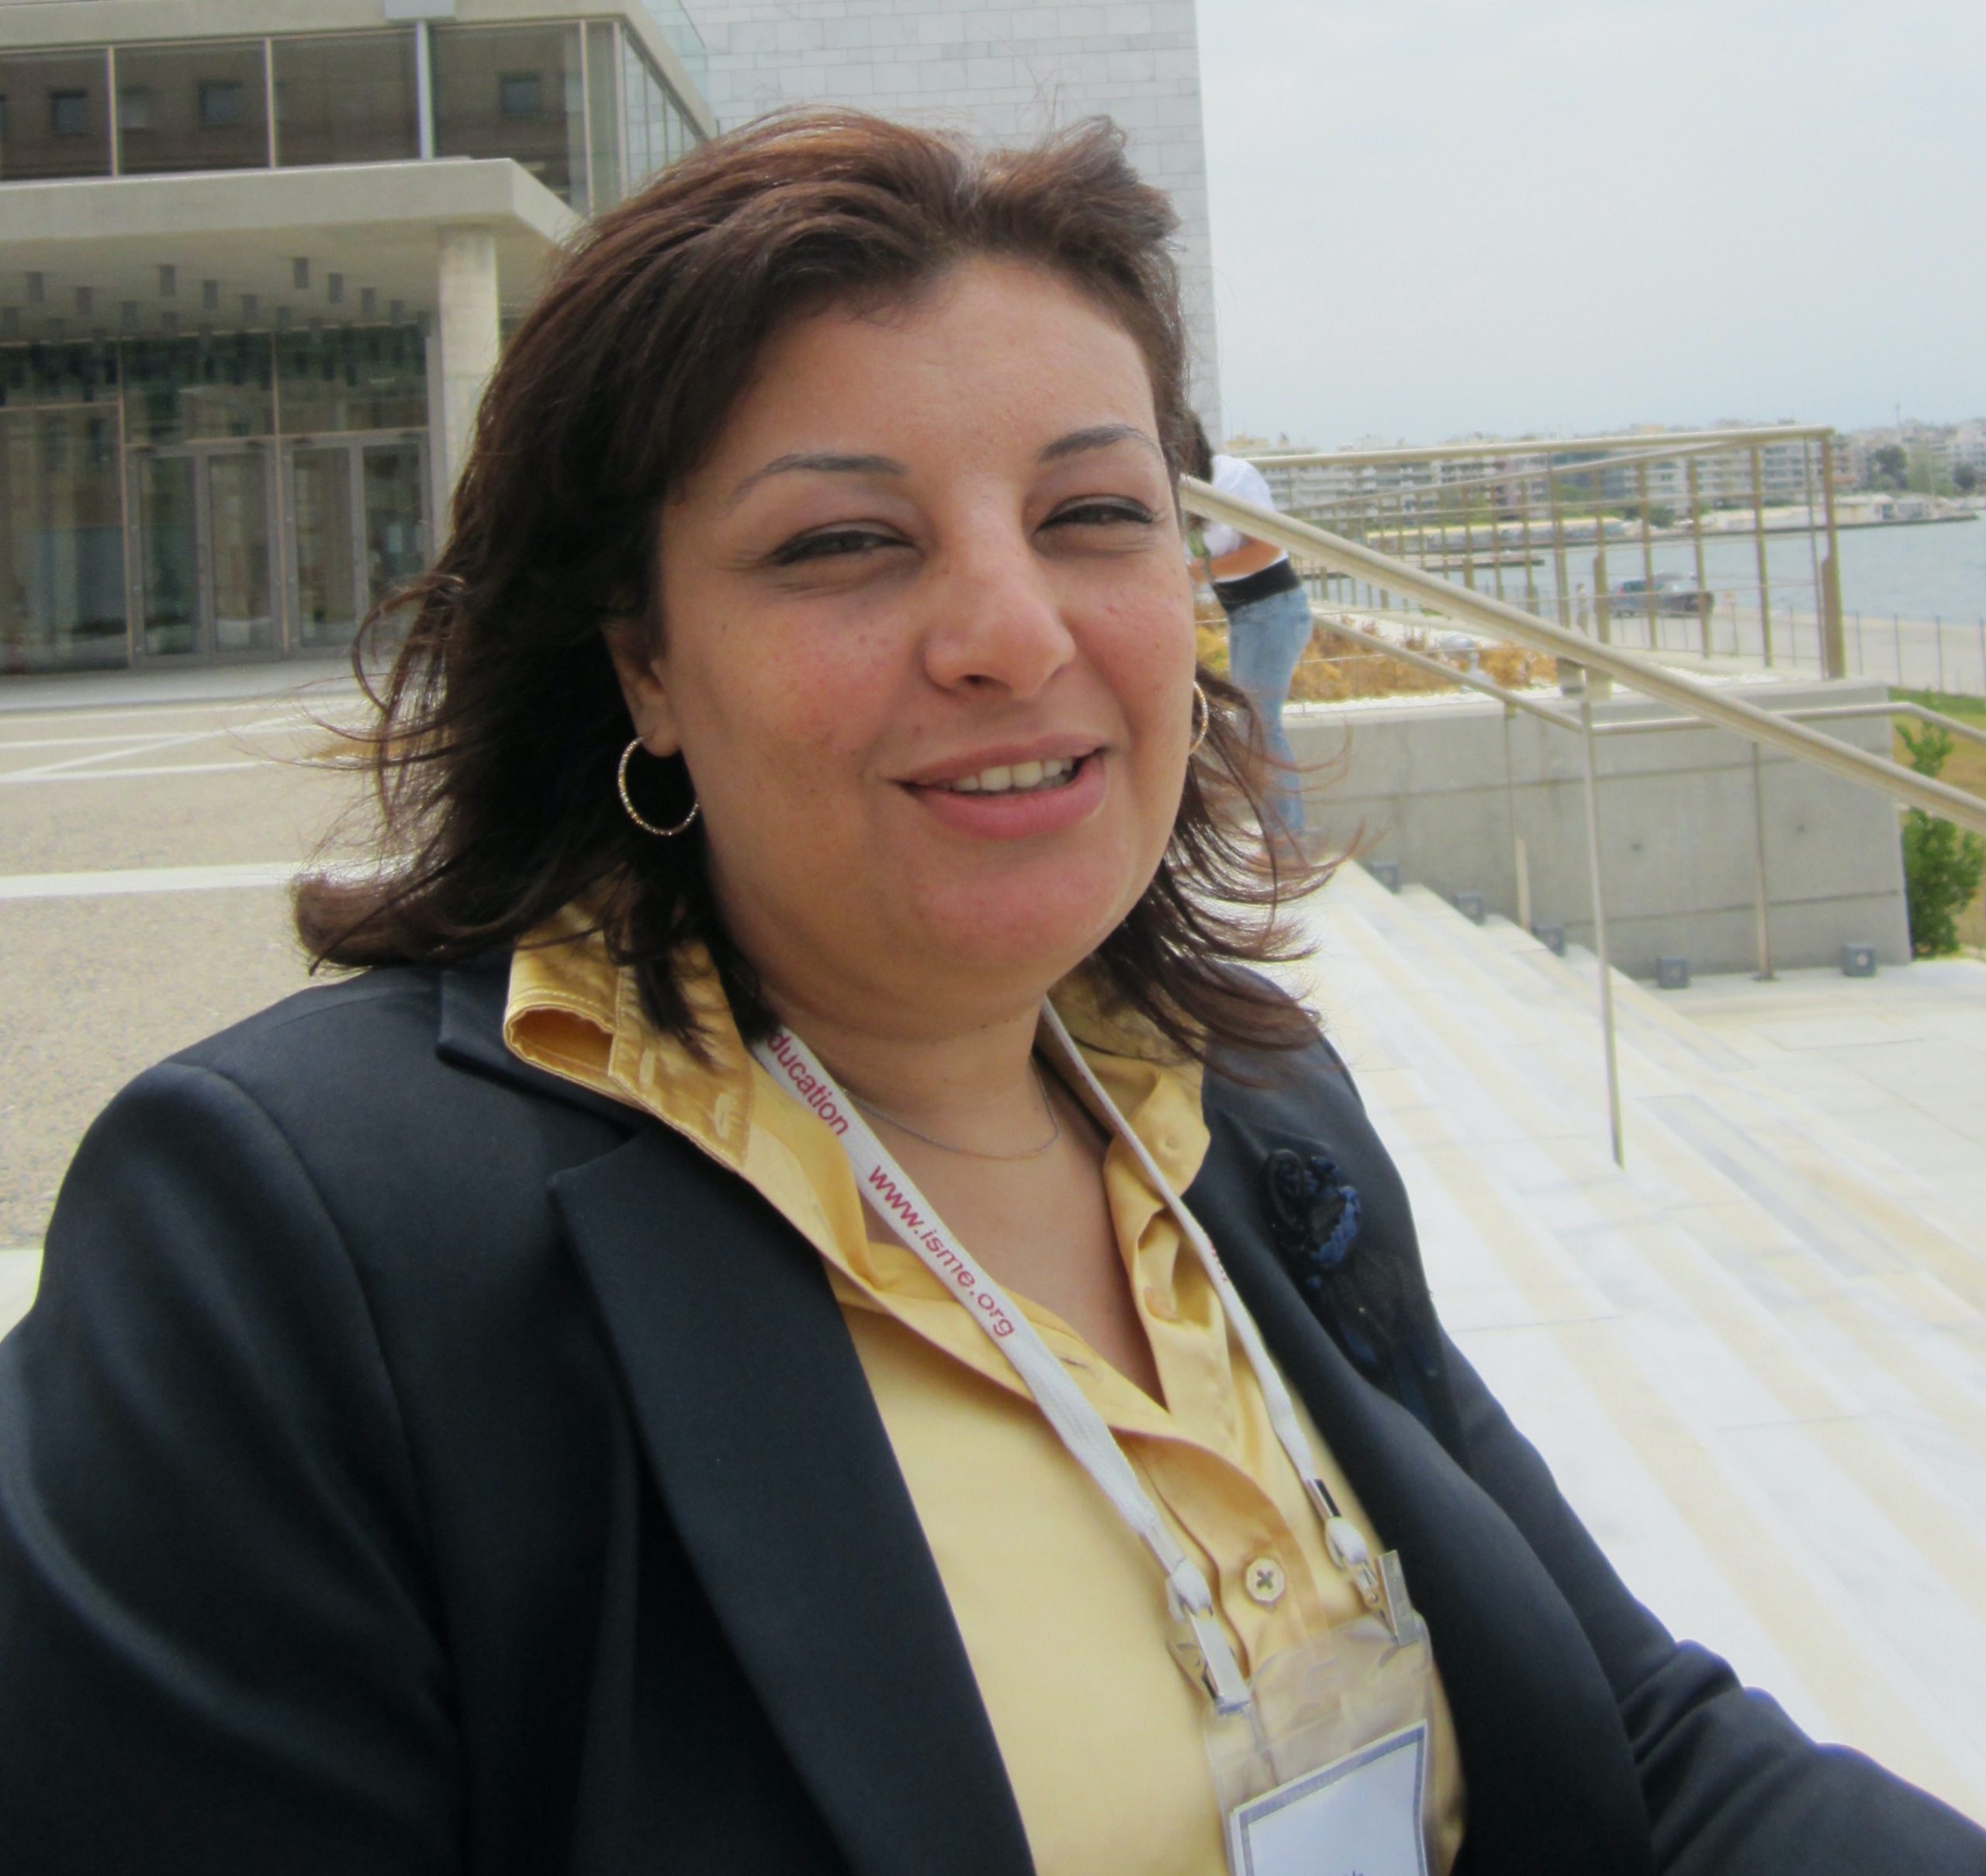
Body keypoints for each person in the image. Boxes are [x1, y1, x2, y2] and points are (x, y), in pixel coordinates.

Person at [1, 110, 1981, 1876]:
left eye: (1089, 514)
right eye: (845, 540)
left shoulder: (1244, 1108)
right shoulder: (289, 1248)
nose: (1009, 633)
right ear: (644, 665)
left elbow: (1632, 1745)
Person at [1186, 417, 1315, 848]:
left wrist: (1200, 572)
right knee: (1251, 724)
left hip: (1275, 611)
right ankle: (1280, 835)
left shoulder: (1232, 477)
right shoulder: (1181, 492)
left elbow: (1269, 547)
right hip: (1245, 616)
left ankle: (1287, 840)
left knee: (1260, 725)